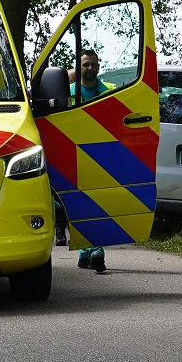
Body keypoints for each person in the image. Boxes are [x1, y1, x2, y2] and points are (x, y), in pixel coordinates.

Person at [70, 48, 113, 273]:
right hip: (74, 156)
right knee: (81, 206)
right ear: (79, 68)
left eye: (93, 64)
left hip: (101, 156)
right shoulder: (67, 92)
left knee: (99, 205)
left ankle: (95, 251)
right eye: (85, 64)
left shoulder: (109, 92)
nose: (90, 68)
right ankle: (85, 252)